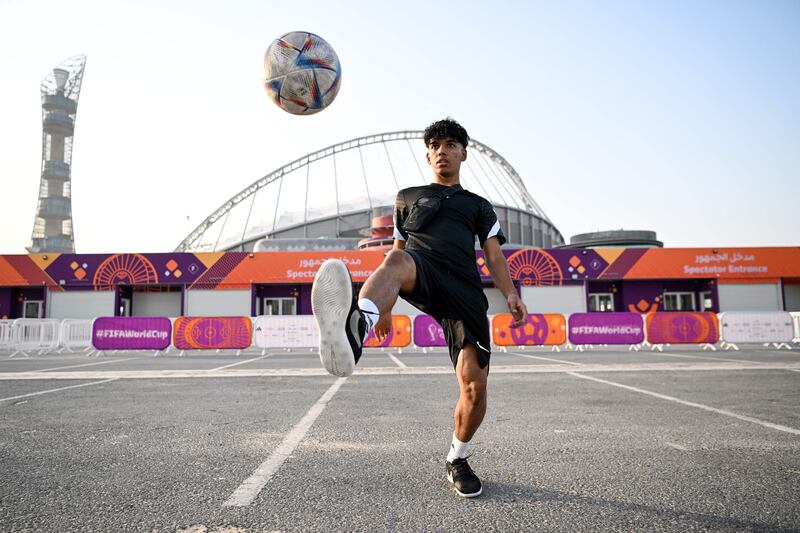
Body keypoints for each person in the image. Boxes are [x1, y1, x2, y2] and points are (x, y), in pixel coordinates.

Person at [311, 118, 527, 498]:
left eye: (450, 145)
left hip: (463, 290)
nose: (442, 151)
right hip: (420, 267)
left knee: (475, 388)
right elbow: (395, 254)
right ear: (428, 155)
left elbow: (494, 257)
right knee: (396, 262)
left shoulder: (478, 206)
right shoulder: (407, 197)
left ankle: (457, 458)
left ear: (463, 153)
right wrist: (386, 305)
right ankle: (357, 326)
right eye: (435, 146)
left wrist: (510, 294)